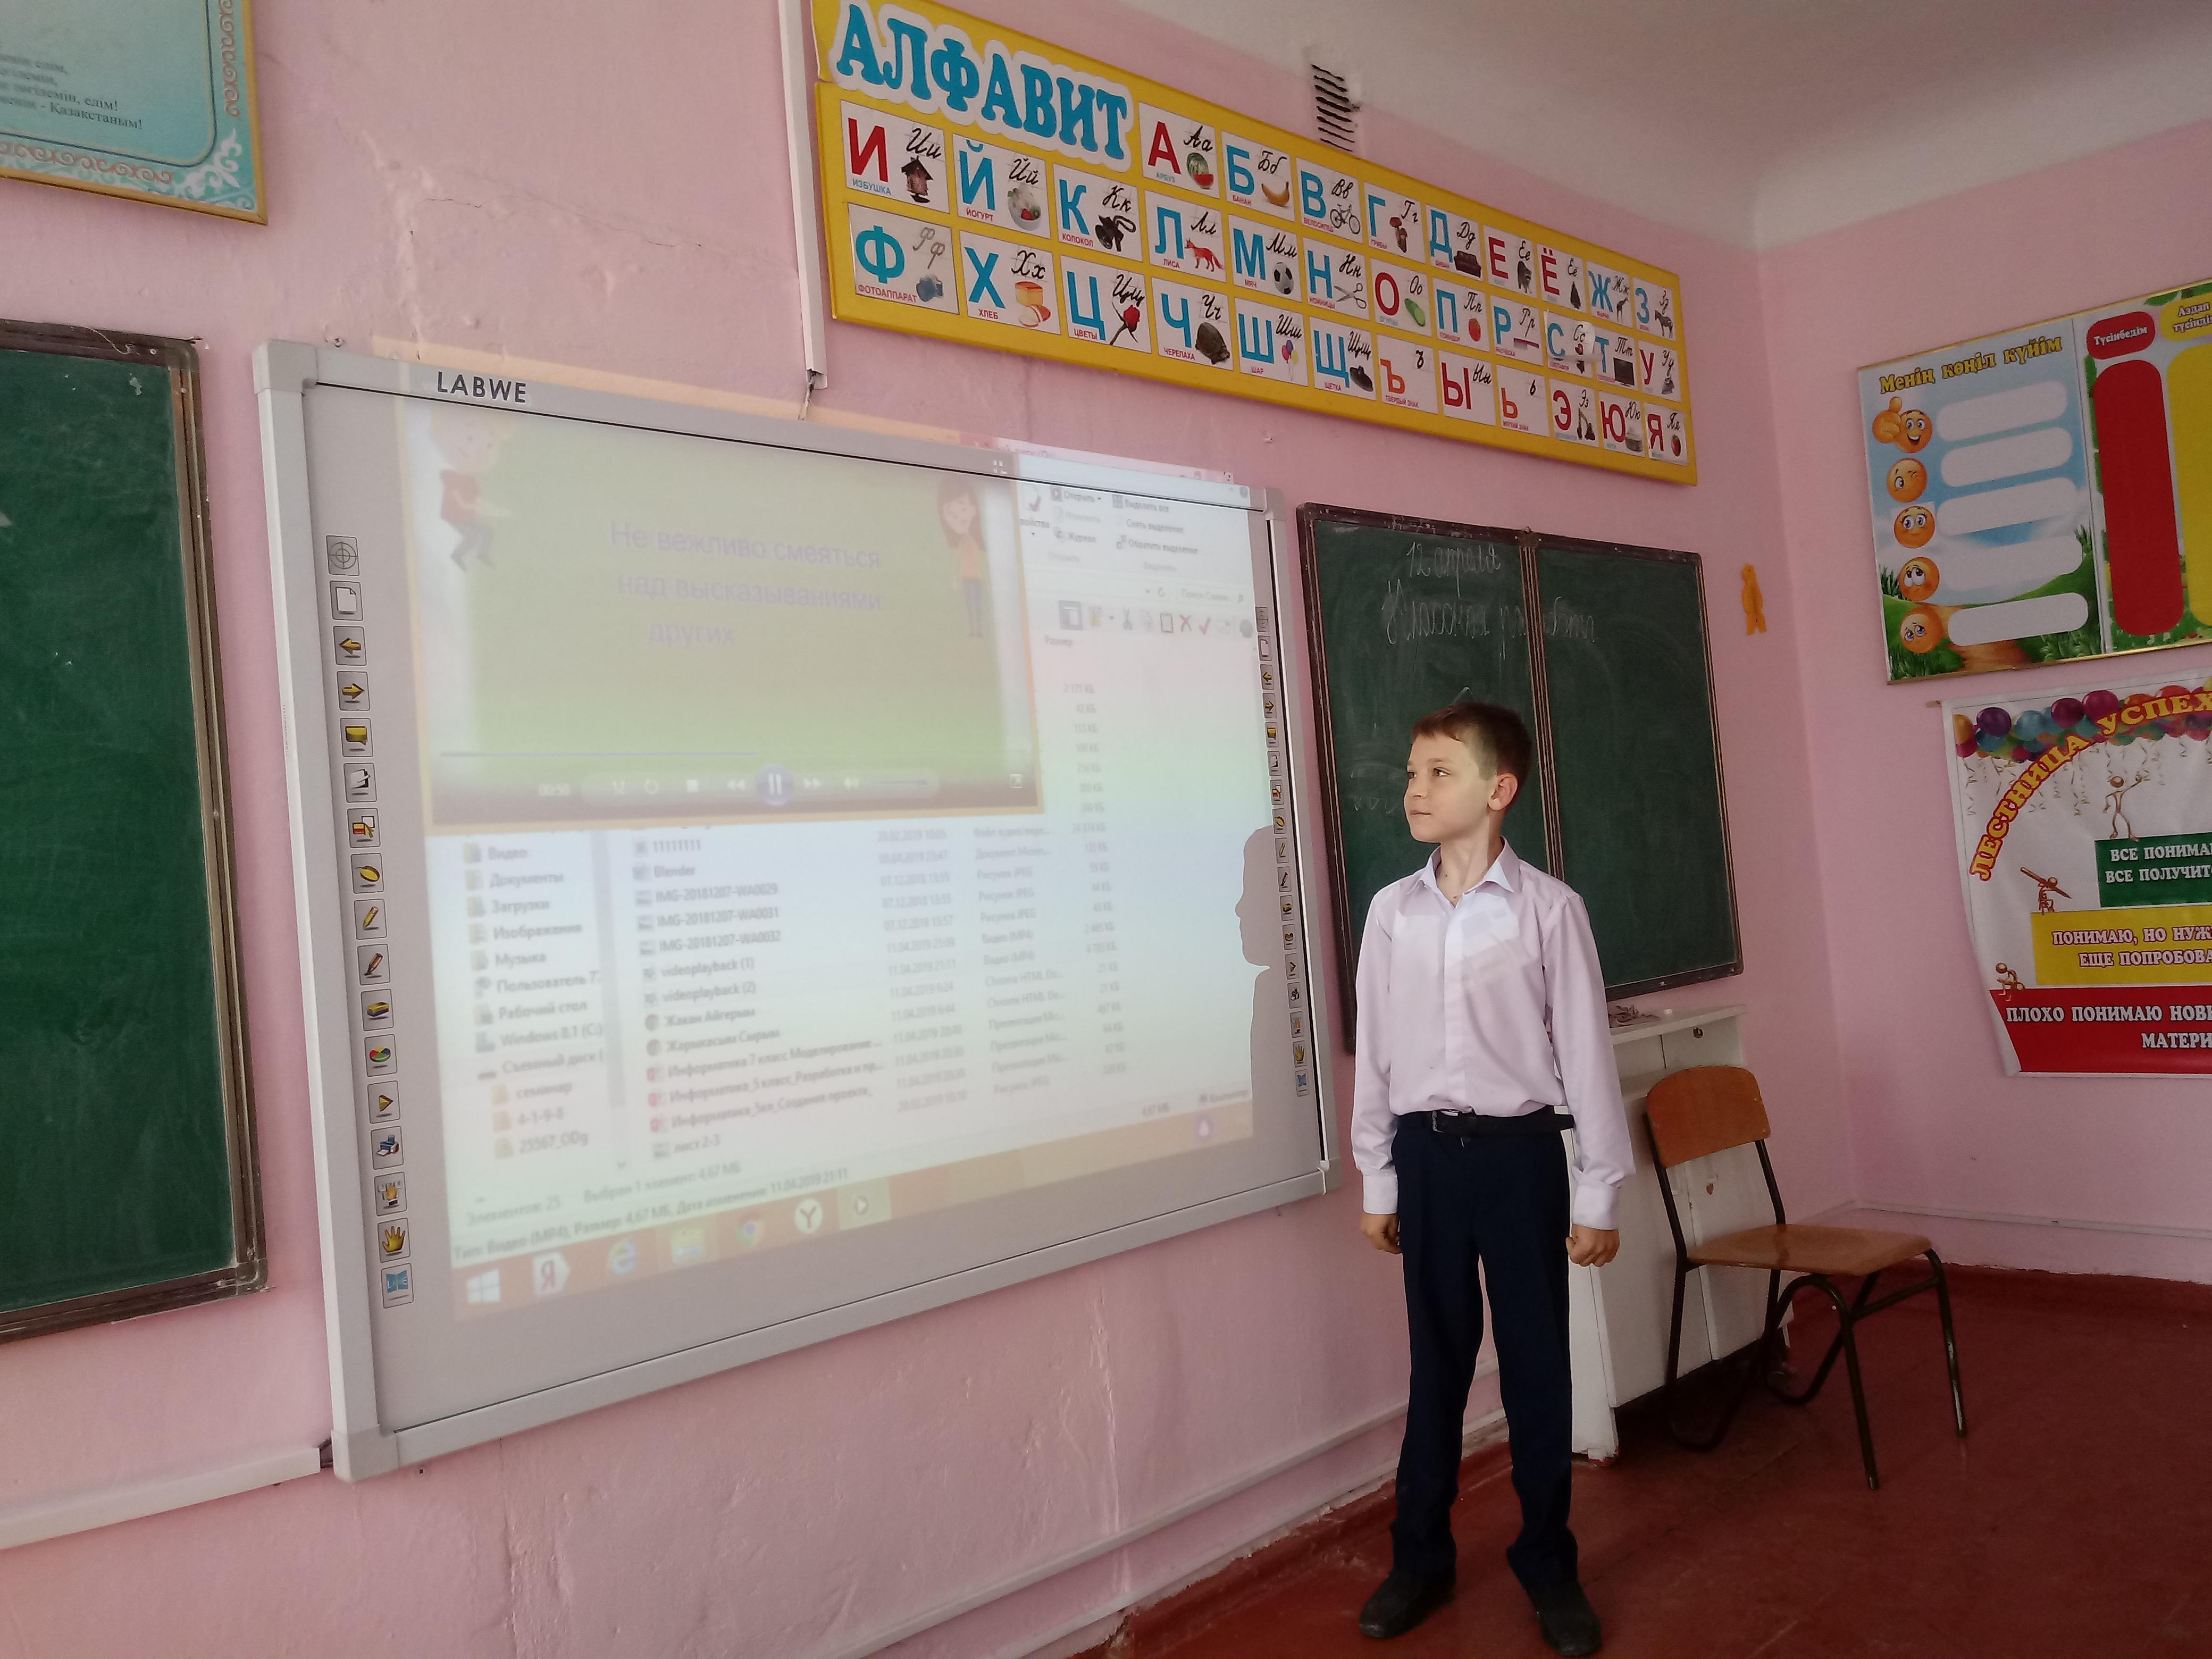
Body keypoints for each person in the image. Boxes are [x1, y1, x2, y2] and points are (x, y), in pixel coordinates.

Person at [1351, 701, 1631, 1657]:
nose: (1415, 790)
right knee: (1436, 1364)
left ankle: (1548, 1562)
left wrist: (1598, 1190)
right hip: (1427, 1159)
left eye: (1439, 772)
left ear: (1498, 788)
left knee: (1538, 1365)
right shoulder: (1393, 913)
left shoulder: (1550, 910)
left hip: (1520, 1160)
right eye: (1412, 773)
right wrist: (1378, 1177)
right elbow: (1377, 1054)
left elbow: (1586, 1054)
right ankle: (1420, 1559)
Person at [939, 477, 985, 637]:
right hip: (966, 579)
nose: (958, 517)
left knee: (977, 604)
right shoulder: (961, 544)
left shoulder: (975, 542)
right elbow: (957, 562)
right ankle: (973, 631)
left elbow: (981, 561)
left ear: (973, 510)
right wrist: (955, 579)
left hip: (977, 579)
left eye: (963, 509)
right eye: (951, 513)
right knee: (969, 604)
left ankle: (978, 630)